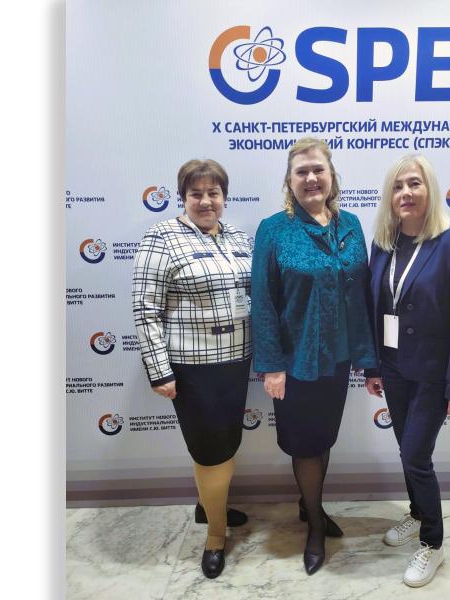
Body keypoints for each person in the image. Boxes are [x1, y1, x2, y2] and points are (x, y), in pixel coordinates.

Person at [251, 137, 378, 575]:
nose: (311, 178)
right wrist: (271, 366)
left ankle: (311, 505)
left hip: (337, 360)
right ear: (289, 181)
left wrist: (369, 359)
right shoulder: (274, 229)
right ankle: (316, 526)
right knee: (305, 445)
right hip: (295, 363)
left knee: (323, 439)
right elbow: (263, 301)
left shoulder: (351, 224)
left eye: (318, 170)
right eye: (301, 172)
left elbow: (361, 296)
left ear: (331, 176)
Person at [132, 159, 253, 579]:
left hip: (237, 360)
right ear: (182, 197)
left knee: (227, 443)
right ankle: (216, 536)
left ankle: (208, 507)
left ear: (224, 197)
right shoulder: (162, 237)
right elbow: (145, 309)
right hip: (193, 368)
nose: (206, 201)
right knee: (210, 450)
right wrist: (159, 370)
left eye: (213, 193)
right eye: (196, 193)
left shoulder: (238, 237)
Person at [363, 154, 450, 587]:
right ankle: (415, 513)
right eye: (397, 186)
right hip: (393, 369)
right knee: (406, 451)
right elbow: (374, 310)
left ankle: (433, 541)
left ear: (429, 189)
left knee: (415, 456)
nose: (406, 193)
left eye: (414, 183)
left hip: (433, 372)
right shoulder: (383, 244)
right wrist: (372, 365)